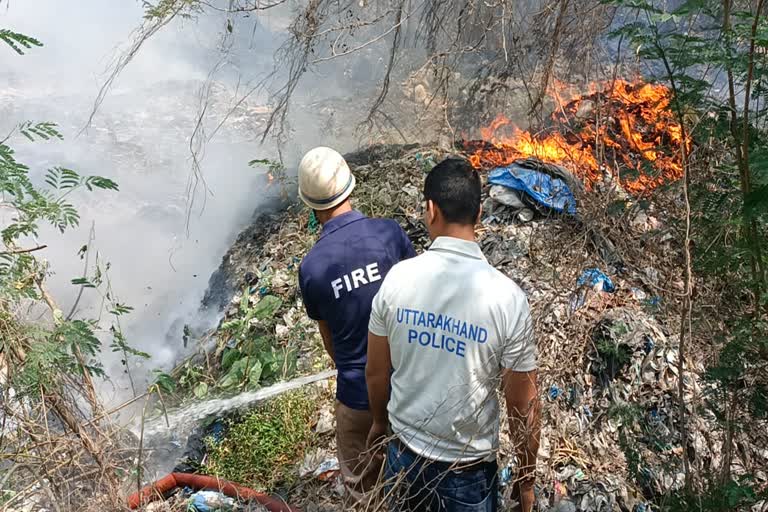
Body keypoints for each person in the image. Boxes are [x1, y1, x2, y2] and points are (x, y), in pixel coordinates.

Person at [365, 157, 540, 512]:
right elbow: (523, 405)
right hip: (468, 474)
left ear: (431, 210)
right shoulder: (508, 299)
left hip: (403, 458)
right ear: (479, 215)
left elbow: (376, 371)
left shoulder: (397, 279)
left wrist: (380, 424)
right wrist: (526, 478)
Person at [297, 146, 416, 501]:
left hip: (358, 396)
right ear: (350, 187)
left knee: (365, 493)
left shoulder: (312, 268)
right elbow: (419, 296)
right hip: (414, 386)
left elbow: (330, 343)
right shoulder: (389, 235)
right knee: (420, 490)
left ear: (311, 205)